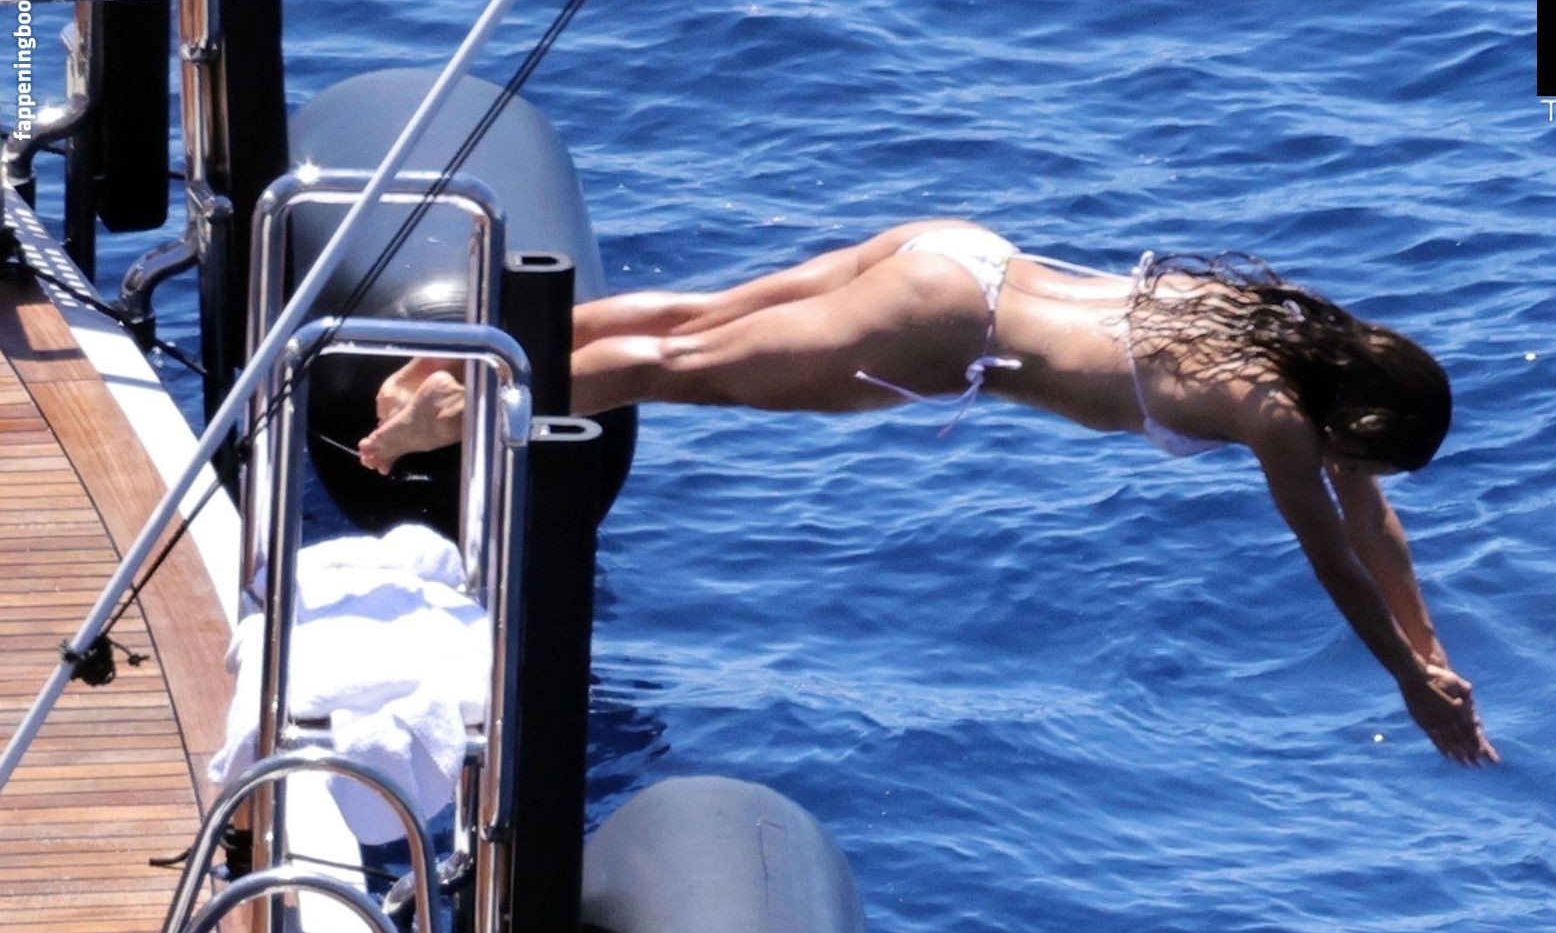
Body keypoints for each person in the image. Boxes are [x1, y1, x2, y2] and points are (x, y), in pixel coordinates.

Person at [360, 219, 1498, 766]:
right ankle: (445, 410)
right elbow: (1335, 558)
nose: (1362, 475)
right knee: (683, 368)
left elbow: (1369, 520)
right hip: (947, 331)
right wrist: (1405, 681)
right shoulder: (1278, 417)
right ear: (1356, 424)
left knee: (698, 318)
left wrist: (1433, 655)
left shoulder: (1272, 328)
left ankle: (459, 351)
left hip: (962, 251)